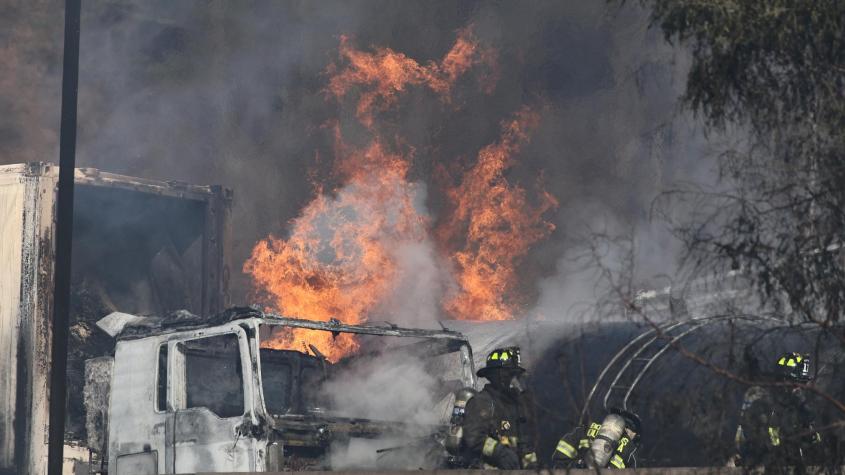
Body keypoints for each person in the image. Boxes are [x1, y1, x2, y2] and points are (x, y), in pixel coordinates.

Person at [735, 351, 823, 467]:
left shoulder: (797, 403)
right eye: (796, 384)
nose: (799, 389)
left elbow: (816, 440)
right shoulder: (762, 401)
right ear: (784, 380)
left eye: (802, 384)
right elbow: (759, 439)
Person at [461, 346, 538, 469]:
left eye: (514, 374)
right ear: (497, 375)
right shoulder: (482, 402)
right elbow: (474, 437)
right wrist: (499, 452)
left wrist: (531, 466)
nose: (513, 380)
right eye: (510, 374)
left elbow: (524, 443)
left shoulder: (516, 405)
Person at [551, 408, 641, 469]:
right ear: (631, 430)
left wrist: (573, 466)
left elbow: (561, 453)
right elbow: (635, 471)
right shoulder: (629, 448)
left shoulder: (586, 429)